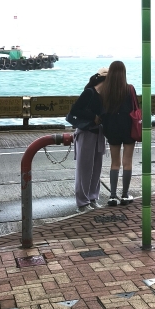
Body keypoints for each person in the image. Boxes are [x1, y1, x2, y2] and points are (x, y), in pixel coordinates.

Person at [98, 60, 138, 207]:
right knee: (127, 162)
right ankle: (125, 195)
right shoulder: (130, 89)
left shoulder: (105, 91)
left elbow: (101, 111)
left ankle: (113, 196)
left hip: (112, 129)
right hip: (128, 128)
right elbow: (135, 108)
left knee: (114, 163)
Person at [68, 68, 107, 212]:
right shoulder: (89, 92)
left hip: (98, 133)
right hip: (86, 132)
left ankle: (92, 198)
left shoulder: (104, 95)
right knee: (84, 169)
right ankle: (82, 202)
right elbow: (74, 111)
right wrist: (93, 117)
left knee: (96, 168)